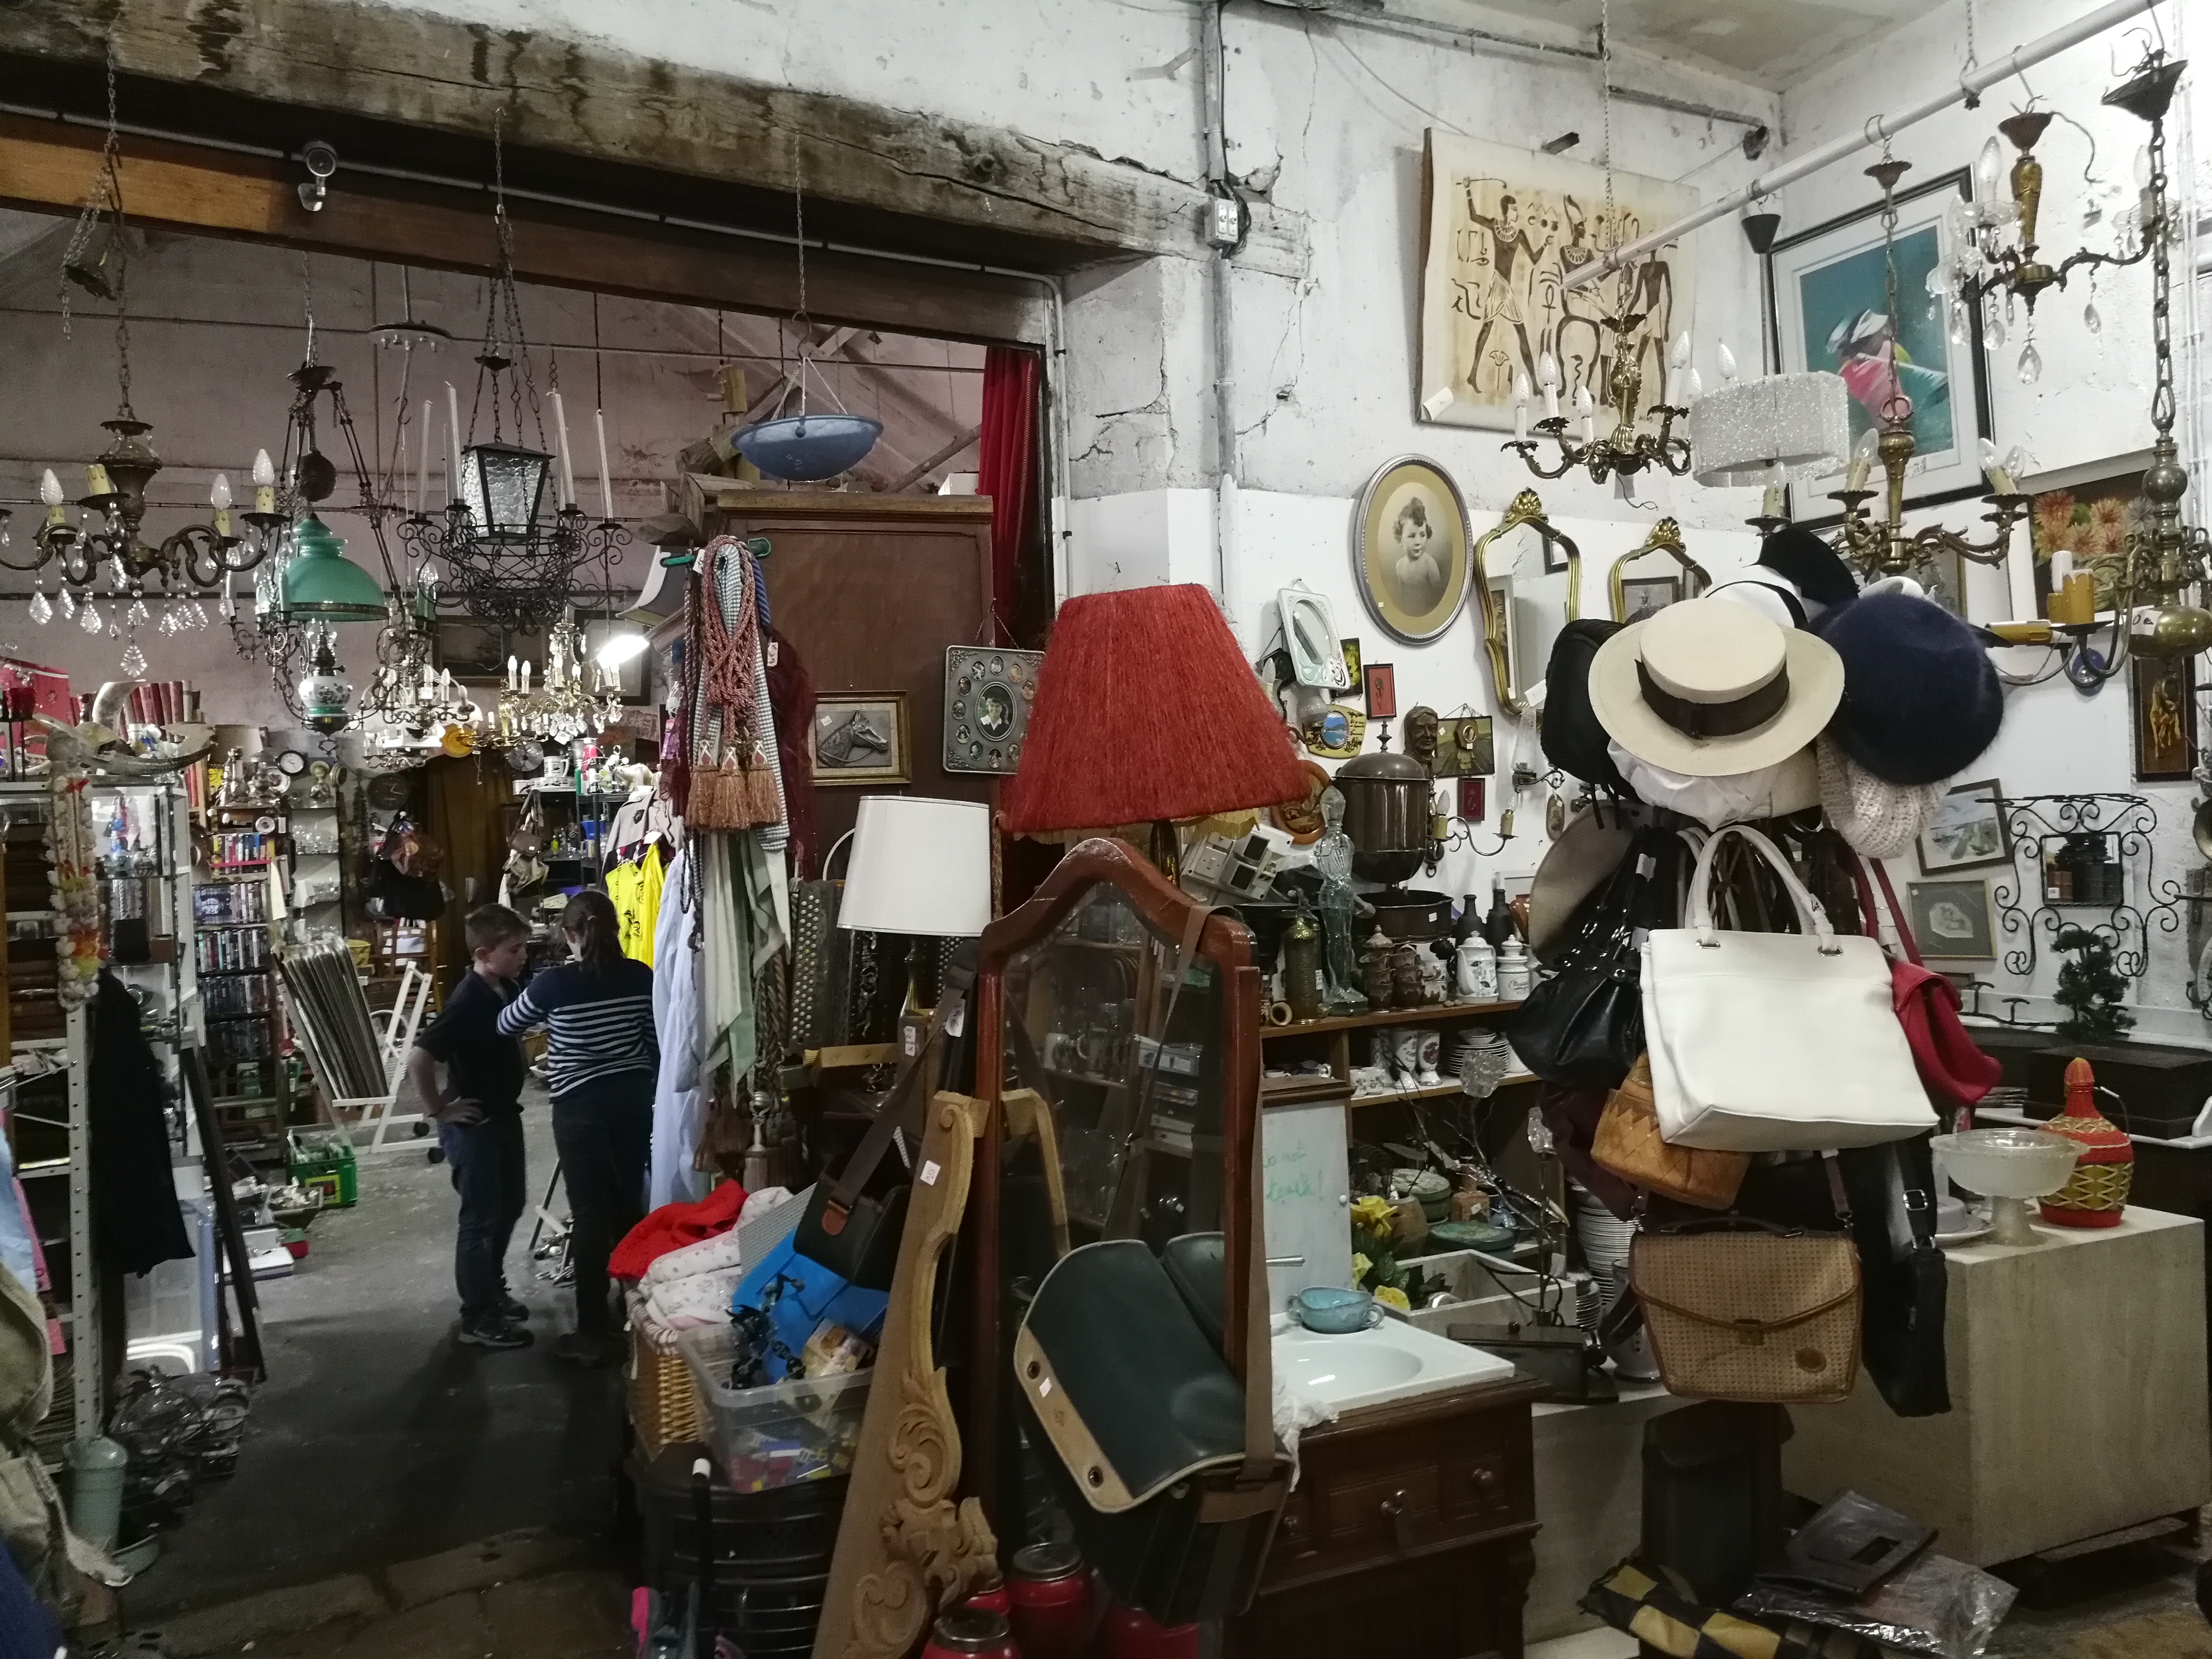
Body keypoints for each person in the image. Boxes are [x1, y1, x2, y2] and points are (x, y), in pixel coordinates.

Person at [498, 889, 657, 1365]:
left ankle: (591, 1333)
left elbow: (507, 1024)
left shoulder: (554, 985)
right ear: (615, 929)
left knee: (589, 1215)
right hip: (632, 1101)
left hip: (579, 1108)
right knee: (629, 1203)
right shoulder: (640, 975)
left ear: (569, 934)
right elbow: (652, 1041)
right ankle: (638, 1314)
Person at [406, 904, 533, 1350]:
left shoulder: (505, 987)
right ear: (483, 953)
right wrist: (439, 1110)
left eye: (524, 947)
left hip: (504, 1116)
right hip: (476, 1126)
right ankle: (476, 1316)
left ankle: (491, 1289)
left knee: (510, 1205)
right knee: (480, 1219)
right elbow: (419, 1058)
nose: (523, 956)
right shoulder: (467, 1002)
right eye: (514, 949)